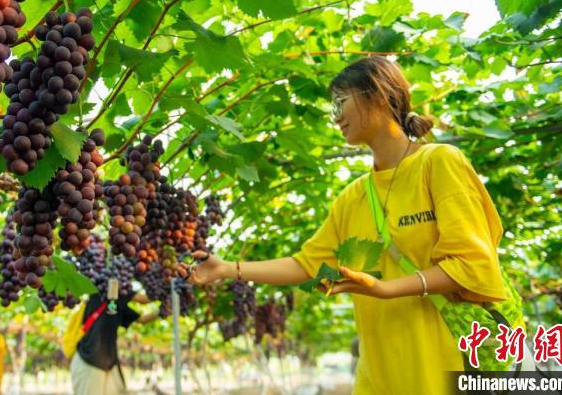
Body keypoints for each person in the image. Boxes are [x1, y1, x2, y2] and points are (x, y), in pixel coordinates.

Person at [190, 56, 511, 395]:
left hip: (441, 369)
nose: (336, 116)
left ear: (377, 96)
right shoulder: (353, 197)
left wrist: (386, 289)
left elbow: (472, 264)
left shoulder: (439, 163)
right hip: (377, 377)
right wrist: (227, 268)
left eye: (341, 102)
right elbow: (306, 264)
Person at [70, 292, 157, 395]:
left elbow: (143, 319)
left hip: (109, 364)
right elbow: (144, 300)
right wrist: (166, 289)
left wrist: (166, 308)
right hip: (88, 361)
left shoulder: (116, 304)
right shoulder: (99, 293)